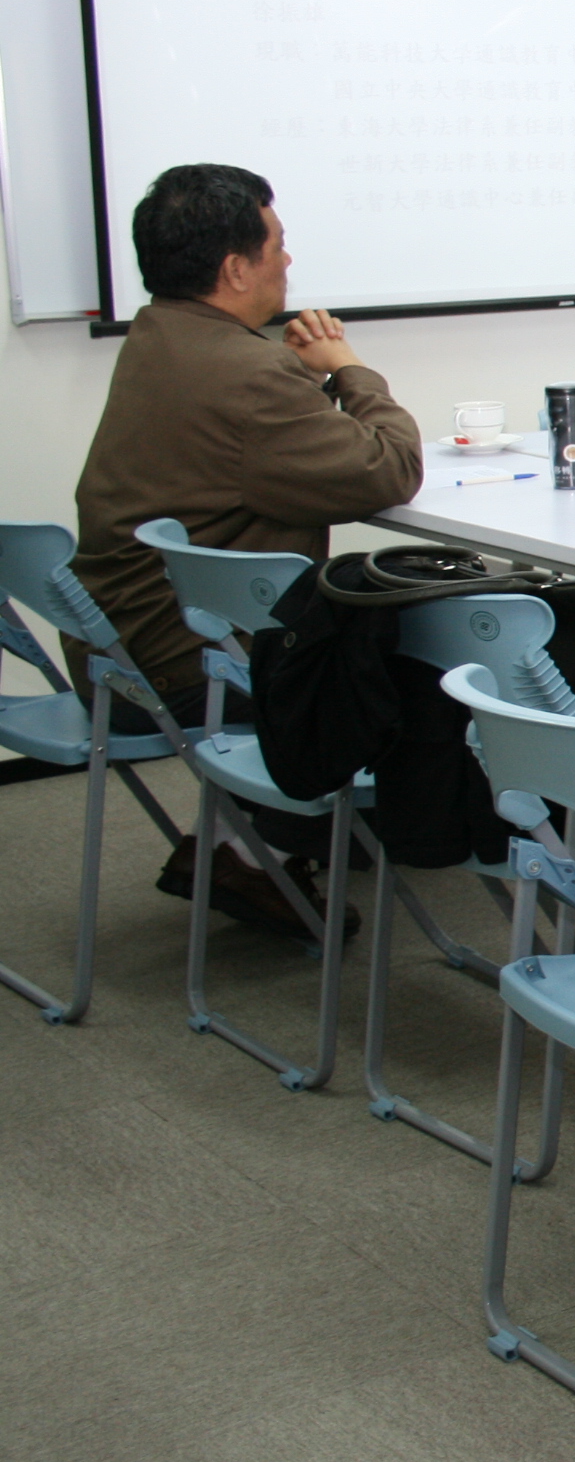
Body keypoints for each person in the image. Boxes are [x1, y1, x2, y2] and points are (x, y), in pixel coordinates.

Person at [69, 163, 423, 937]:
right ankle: (258, 847)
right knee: (415, 665)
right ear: (235, 268)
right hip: (191, 664)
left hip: (114, 644)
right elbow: (389, 469)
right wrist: (348, 369)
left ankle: (251, 837)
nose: (287, 262)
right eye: (278, 246)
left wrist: (302, 386)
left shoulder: (162, 335)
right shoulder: (249, 370)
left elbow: (251, 442)